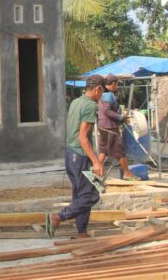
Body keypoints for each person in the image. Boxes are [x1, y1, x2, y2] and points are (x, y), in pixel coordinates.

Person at [46, 74, 106, 239]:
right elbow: (82, 137)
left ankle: (81, 231)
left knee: (81, 193)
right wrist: (96, 162)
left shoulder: (75, 102)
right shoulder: (90, 106)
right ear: (98, 89)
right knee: (91, 195)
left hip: (70, 153)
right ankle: (58, 217)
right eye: (102, 92)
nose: (101, 96)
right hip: (79, 155)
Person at [98, 74, 139, 181]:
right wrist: (121, 117)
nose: (117, 86)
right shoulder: (109, 95)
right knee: (120, 151)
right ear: (113, 84)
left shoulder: (102, 95)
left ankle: (95, 172)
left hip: (103, 126)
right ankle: (127, 174)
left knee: (104, 151)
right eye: (116, 84)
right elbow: (107, 111)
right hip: (110, 128)